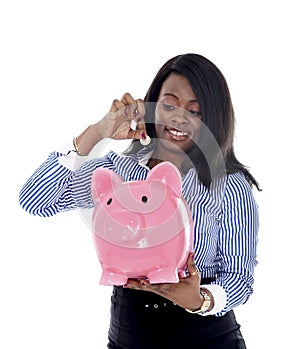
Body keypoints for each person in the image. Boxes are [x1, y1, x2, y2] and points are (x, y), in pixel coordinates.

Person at [19, 53, 260, 349]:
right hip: (129, 334)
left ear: (212, 119)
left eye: (195, 111)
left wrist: (201, 300)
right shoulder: (116, 171)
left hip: (205, 337)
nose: (178, 117)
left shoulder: (229, 184)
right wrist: (97, 133)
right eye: (169, 104)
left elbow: (239, 277)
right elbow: (34, 200)